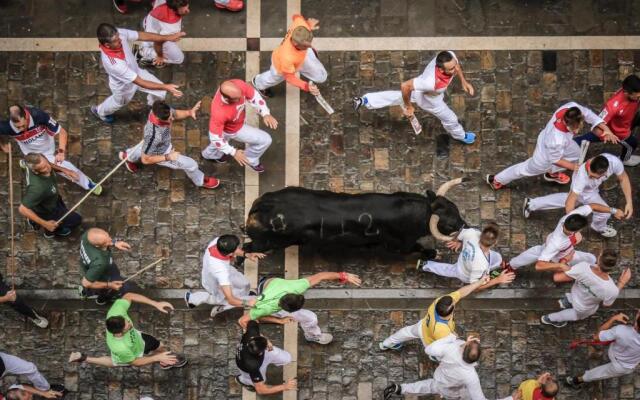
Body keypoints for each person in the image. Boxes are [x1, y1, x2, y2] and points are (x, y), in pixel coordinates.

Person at [354, 51, 476, 145]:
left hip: (422, 89)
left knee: (398, 96)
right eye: (451, 69)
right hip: (431, 101)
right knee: (451, 119)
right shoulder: (430, 82)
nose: (456, 69)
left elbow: (457, 67)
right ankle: (461, 136)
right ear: (440, 69)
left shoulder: (449, 56)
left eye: (454, 65)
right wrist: (409, 107)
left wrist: (463, 82)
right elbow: (405, 86)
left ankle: (365, 100)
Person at [486, 102, 613, 188]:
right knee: (524, 169)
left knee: (577, 154)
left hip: (563, 144)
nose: (577, 131)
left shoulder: (572, 107)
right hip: (544, 156)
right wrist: (573, 167)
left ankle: (552, 173)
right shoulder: (556, 139)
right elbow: (555, 159)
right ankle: (497, 180)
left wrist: (604, 128)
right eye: (574, 129)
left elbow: (589, 114)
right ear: (567, 124)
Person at [90, 23, 184, 124]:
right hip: (123, 87)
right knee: (118, 102)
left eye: (118, 37)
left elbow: (141, 35)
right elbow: (140, 82)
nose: (120, 40)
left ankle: (154, 106)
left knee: (160, 92)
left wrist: (167, 38)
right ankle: (100, 111)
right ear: (107, 45)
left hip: (136, 72)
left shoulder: (119, 34)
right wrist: (167, 86)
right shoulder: (115, 64)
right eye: (116, 41)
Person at [523, 153, 633, 237]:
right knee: (603, 213)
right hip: (586, 191)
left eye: (593, 176)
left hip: (591, 189)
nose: (590, 177)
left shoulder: (614, 161)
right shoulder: (582, 178)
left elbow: (623, 178)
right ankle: (598, 227)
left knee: (572, 199)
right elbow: (570, 202)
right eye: (589, 174)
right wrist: (572, 226)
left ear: (605, 173)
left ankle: (532, 204)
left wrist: (629, 202)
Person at [238, 272, 362, 345]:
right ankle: (312, 336)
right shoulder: (266, 308)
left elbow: (321, 276)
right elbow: (242, 321)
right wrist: (278, 322)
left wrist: (343, 275)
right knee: (311, 318)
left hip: (267, 286)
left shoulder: (297, 286)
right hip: (266, 294)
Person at [68, 292, 187, 368]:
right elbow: (135, 362)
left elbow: (129, 296)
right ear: (119, 332)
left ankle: (164, 358)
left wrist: (155, 303)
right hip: (131, 353)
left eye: (126, 321)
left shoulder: (116, 313)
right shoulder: (120, 348)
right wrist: (156, 358)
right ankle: (84, 358)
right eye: (127, 325)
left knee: (160, 345)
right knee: (115, 362)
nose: (129, 323)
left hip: (138, 339)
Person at [119, 100, 219, 189]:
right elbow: (146, 159)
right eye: (169, 119)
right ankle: (200, 181)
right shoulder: (154, 137)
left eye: (171, 115)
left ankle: (128, 156)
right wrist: (168, 157)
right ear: (158, 119)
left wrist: (189, 112)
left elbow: (175, 114)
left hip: (157, 143)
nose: (172, 118)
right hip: (161, 152)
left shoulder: (159, 109)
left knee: (145, 148)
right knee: (191, 164)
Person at [383, 334, 519, 400]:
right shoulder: (471, 377)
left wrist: (451, 337)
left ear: (465, 346)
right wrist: (511, 398)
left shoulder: (451, 348)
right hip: (455, 391)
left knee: (424, 386)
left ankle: (399, 389)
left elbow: (429, 350)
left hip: (440, 380)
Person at [0, 105, 100, 193]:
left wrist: (61, 152)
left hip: (47, 149)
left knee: (61, 167)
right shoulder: (6, 127)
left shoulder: (39, 115)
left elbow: (62, 132)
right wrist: (2, 146)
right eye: (18, 127)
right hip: (29, 152)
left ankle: (88, 184)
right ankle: (28, 163)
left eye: (23, 125)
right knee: (56, 168)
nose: (21, 129)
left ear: (26, 117)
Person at [378, 277, 489, 351]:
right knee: (439, 354)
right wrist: (460, 340)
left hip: (423, 326)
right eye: (454, 304)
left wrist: (479, 282)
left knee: (406, 332)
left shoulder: (440, 302)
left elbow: (461, 292)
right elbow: (451, 345)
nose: (455, 302)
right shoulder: (441, 330)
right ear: (449, 314)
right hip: (430, 341)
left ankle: (386, 344)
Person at [507, 204, 623, 272]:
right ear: (577, 230)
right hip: (560, 254)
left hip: (555, 245)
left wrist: (613, 211)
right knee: (590, 259)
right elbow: (539, 265)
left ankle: (511, 265)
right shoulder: (557, 243)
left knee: (537, 251)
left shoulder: (570, 217)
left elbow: (592, 206)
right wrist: (560, 265)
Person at [201, 79, 277, 173]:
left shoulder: (238, 86)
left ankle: (209, 155)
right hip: (233, 129)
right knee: (265, 140)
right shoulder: (219, 113)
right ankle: (250, 159)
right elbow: (215, 138)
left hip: (232, 124)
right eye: (237, 98)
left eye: (241, 94)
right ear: (227, 99)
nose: (242, 98)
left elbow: (254, 96)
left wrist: (265, 113)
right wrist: (234, 152)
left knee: (220, 143)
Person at [541, 249, 630, 328]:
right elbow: (607, 304)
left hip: (575, 294)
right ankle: (549, 318)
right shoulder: (611, 289)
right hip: (584, 308)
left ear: (599, 259)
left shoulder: (583, 267)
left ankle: (563, 305)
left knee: (572, 299)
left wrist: (564, 260)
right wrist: (621, 283)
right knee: (574, 315)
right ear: (612, 267)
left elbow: (557, 277)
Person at [417, 223, 515, 289]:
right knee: (448, 270)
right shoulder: (481, 265)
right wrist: (498, 280)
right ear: (495, 243)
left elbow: (457, 235)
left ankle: (424, 264)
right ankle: (425, 266)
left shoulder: (472, 233)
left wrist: (459, 242)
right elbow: (475, 287)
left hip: (464, 261)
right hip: (465, 273)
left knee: (496, 257)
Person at [185, 234, 262, 317]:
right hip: (216, 282)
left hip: (225, 271)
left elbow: (234, 250)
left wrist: (247, 255)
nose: (238, 249)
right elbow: (231, 300)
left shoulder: (218, 242)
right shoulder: (220, 271)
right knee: (223, 298)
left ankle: (193, 298)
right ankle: (196, 300)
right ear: (230, 254)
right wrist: (247, 303)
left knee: (245, 284)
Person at [252, 14, 325, 98]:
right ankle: (258, 83)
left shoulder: (301, 25)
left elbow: (296, 16)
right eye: (305, 46)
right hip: (280, 65)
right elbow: (289, 78)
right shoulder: (287, 57)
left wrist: (308, 23)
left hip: (296, 59)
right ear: (295, 43)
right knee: (273, 78)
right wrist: (306, 86)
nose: (310, 46)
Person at [574, 74, 640, 166]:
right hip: (618, 132)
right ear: (626, 93)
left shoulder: (634, 93)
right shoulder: (612, 106)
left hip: (629, 119)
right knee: (632, 143)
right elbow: (597, 122)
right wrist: (607, 134)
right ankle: (625, 159)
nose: (638, 98)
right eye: (637, 97)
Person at [566, 312, 640, 388]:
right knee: (601, 373)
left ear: (636, 324)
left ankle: (577, 380)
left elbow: (596, 337)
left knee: (596, 374)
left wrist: (613, 318)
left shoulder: (621, 330)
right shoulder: (622, 331)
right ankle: (577, 380)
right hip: (626, 366)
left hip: (617, 359)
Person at [18, 153, 82, 238]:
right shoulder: (37, 189)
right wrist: (45, 224)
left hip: (52, 198)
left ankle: (34, 221)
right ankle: (49, 232)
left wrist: (65, 170)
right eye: (43, 168)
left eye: (46, 163)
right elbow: (23, 209)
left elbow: (49, 165)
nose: (48, 167)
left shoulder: (37, 160)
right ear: (35, 171)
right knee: (76, 220)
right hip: (47, 210)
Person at [234, 320, 297, 395]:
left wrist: (266, 340)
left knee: (287, 358)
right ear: (261, 352)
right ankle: (242, 380)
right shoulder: (252, 365)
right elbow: (261, 390)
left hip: (256, 356)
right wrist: (285, 386)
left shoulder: (252, 333)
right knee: (261, 381)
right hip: (248, 368)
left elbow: (251, 320)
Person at [79, 228, 138, 305]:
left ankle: (87, 292)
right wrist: (110, 285)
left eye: (108, 236)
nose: (110, 239)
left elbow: (106, 240)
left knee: (115, 275)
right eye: (106, 242)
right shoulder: (100, 263)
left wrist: (114, 243)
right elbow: (86, 283)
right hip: (100, 272)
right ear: (97, 246)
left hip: (94, 267)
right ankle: (100, 298)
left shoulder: (88, 235)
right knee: (123, 288)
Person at [138, 0, 190, 67]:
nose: (187, 10)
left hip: (148, 22)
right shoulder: (172, 27)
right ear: (173, 10)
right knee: (179, 59)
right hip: (156, 37)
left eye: (187, 6)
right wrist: (160, 56)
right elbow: (158, 42)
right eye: (184, 9)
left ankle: (146, 43)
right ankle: (144, 52)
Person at [0, 352, 66, 399]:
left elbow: (18, 387)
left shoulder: (11, 393)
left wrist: (44, 393)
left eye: (24, 393)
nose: (31, 395)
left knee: (30, 368)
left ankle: (45, 389)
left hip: (3, 361)